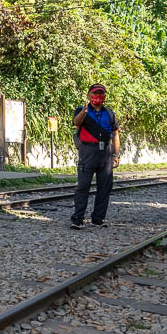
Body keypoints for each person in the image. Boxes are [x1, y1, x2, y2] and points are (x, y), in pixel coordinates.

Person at [71, 84, 120, 228]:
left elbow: (116, 134)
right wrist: (84, 112)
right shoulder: (81, 110)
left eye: (101, 94)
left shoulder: (109, 113)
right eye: (95, 94)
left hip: (105, 151)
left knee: (105, 187)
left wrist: (116, 154)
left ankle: (98, 219)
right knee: (83, 186)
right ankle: (78, 218)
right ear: (89, 95)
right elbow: (76, 123)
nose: (98, 97)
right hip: (87, 151)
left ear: (104, 96)